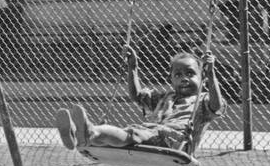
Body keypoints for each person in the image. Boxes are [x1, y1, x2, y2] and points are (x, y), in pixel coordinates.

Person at [56, 47, 223, 153]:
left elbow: (216, 106)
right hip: (151, 134)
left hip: (176, 142)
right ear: (171, 80)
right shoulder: (166, 98)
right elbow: (138, 96)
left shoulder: (203, 100)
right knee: (122, 135)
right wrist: (133, 67)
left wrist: (212, 73)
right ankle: (79, 136)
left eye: (190, 73)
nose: (184, 78)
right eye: (178, 75)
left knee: (130, 134)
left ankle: (90, 131)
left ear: (203, 78)